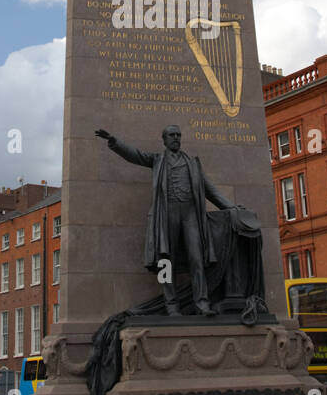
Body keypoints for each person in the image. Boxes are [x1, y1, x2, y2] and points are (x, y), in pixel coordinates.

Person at [95, 125, 237, 316]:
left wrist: (230, 207)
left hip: (190, 215)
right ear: (164, 139)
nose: (176, 138)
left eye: (178, 135)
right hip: (167, 214)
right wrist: (114, 142)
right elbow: (135, 155)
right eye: (172, 135)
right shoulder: (157, 160)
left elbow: (210, 190)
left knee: (197, 258)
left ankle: (202, 304)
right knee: (166, 261)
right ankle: (171, 305)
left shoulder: (192, 164)